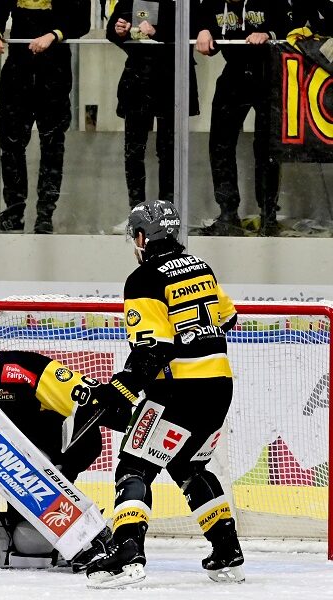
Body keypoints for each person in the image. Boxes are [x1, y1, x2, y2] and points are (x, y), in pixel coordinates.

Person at [85, 200, 244, 588]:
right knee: (189, 466)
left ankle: (126, 552)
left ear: (142, 237)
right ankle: (227, 550)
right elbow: (229, 317)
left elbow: (152, 348)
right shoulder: (201, 267)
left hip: (178, 390)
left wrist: (122, 387)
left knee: (133, 467)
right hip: (219, 387)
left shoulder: (143, 279)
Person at [0, 324, 127, 570]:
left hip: (62, 448)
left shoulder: (19, 368)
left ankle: (85, 530)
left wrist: (125, 418)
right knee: (29, 544)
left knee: (39, 526)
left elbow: (83, 397)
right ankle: (49, 524)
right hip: (16, 470)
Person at [0, 0, 90, 234]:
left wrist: (54, 35)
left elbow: (83, 23)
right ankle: (13, 213)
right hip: (18, 69)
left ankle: (45, 215)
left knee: (52, 146)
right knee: (10, 143)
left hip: (54, 71)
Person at [196, 0, 291, 237]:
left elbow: (294, 26)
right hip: (234, 72)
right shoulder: (212, 3)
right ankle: (228, 214)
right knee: (219, 143)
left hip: (269, 73)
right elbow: (194, 20)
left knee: (267, 147)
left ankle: (268, 215)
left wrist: (269, 34)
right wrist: (203, 29)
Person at [106, 0, 198, 218]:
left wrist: (158, 32)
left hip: (171, 79)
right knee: (134, 151)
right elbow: (113, 30)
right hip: (137, 78)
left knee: (169, 152)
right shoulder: (128, 0)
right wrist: (120, 31)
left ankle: (167, 215)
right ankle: (137, 214)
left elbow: (193, 31)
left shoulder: (182, 3)